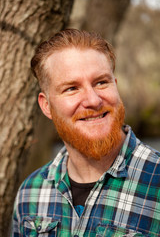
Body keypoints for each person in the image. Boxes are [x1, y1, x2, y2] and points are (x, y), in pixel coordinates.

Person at [11, 29, 160, 236]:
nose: (93, 100)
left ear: (115, 87)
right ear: (46, 106)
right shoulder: (30, 193)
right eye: (72, 88)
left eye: (101, 82)